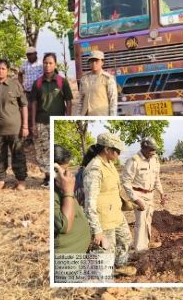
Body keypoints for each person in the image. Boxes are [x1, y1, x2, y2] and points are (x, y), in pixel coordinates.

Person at [83, 132, 136, 277]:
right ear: (107, 150)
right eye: (117, 151)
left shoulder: (110, 164)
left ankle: (120, 266)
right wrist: (97, 230)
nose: (119, 154)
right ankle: (103, 278)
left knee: (125, 240)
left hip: (116, 215)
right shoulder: (95, 169)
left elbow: (113, 190)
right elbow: (90, 203)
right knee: (106, 251)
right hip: (103, 220)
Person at [0, 59, 28, 191]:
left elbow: (24, 106)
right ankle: (0, 180)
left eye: (3, 68)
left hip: (15, 129)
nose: (0, 71)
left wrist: (25, 126)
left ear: (7, 70)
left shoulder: (15, 85)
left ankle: (21, 180)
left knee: (18, 155)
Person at [32, 52, 73, 188]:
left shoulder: (62, 82)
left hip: (56, 121)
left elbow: (69, 101)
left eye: (50, 63)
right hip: (41, 121)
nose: (47, 65)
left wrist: (68, 118)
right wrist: (33, 124)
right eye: (45, 63)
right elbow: (33, 104)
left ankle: (57, 178)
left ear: (55, 65)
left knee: (56, 151)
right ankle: (48, 177)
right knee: (42, 151)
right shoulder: (37, 83)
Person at [53, 144, 92, 283]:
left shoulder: (59, 186)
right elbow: (65, 225)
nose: (67, 173)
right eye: (64, 169)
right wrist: (69, 191)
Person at [121, 137, 166, 252]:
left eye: (155, 150)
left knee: (148, 220)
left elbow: (156, 178)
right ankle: (140, 250)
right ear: (144, 148)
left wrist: (161, 192)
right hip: (138, 195)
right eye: (151, 150)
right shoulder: (134, 161)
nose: (154, 152)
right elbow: (126, 182)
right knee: (141, 222)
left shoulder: (155, 159)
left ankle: (145, 243)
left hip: (150, 195)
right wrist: (135, 199)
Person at [77, 50, 117, 116]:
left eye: (96, 61)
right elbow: (81, 100)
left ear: (102, 62)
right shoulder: (84, 79)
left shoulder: (108, 79)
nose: (94, 63)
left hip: (101, 115)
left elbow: (113, 101)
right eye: (91, 61)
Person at [19, 46, 43, 143]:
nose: (29, 56)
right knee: (28, 114)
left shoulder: (41, 64)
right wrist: (21, 86)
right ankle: (30, 137)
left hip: (40, 93)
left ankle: (40, 134)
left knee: (40, 112)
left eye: (31, 54)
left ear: (35, 54)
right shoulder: (24, 64)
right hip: (28, 93)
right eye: (27, 55)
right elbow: (20, 74)